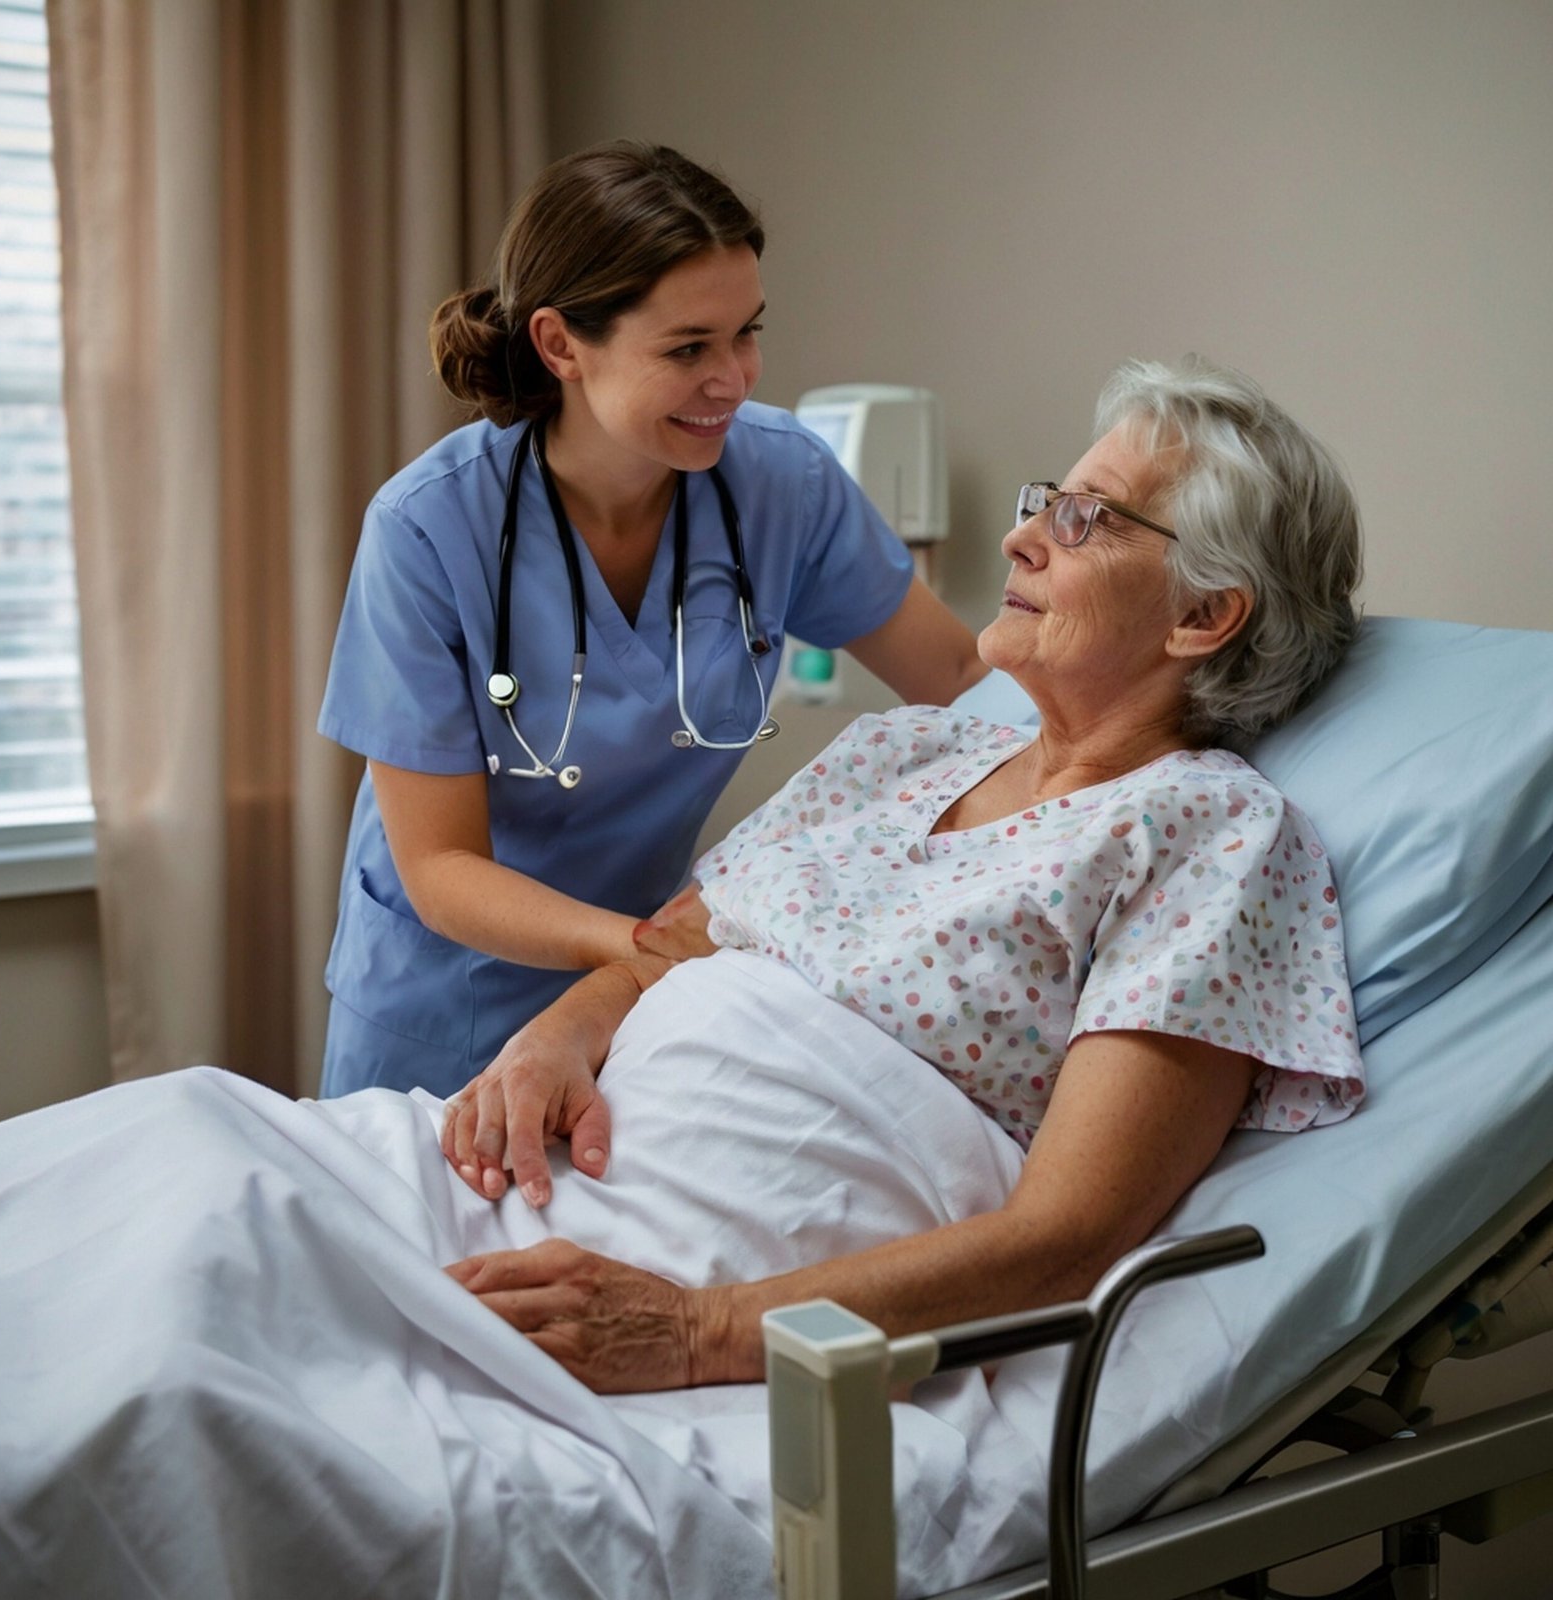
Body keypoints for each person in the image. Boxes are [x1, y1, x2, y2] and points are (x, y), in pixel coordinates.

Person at [437, 354, 1367, 1393]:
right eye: (1043, 505)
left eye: (1083, 519)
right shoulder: (909, 749)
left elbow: (1068, 1237)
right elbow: (677, 945)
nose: (1018, 538)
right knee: (224, 1170)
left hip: (712, 1261)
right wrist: (560, 1031)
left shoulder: (1211, 830)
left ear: (1201, 616)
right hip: (556, 1175)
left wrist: (695, 1329)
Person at [317, 140, 987, 1100]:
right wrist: (640, 944)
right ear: (561, 347)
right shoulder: (428, 529)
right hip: (444, 1006)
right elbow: (441, 864)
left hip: (641, 1001)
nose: (736, 379)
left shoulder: (782, 482)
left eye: (746, 332)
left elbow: (961, 679)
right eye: (688, 349)